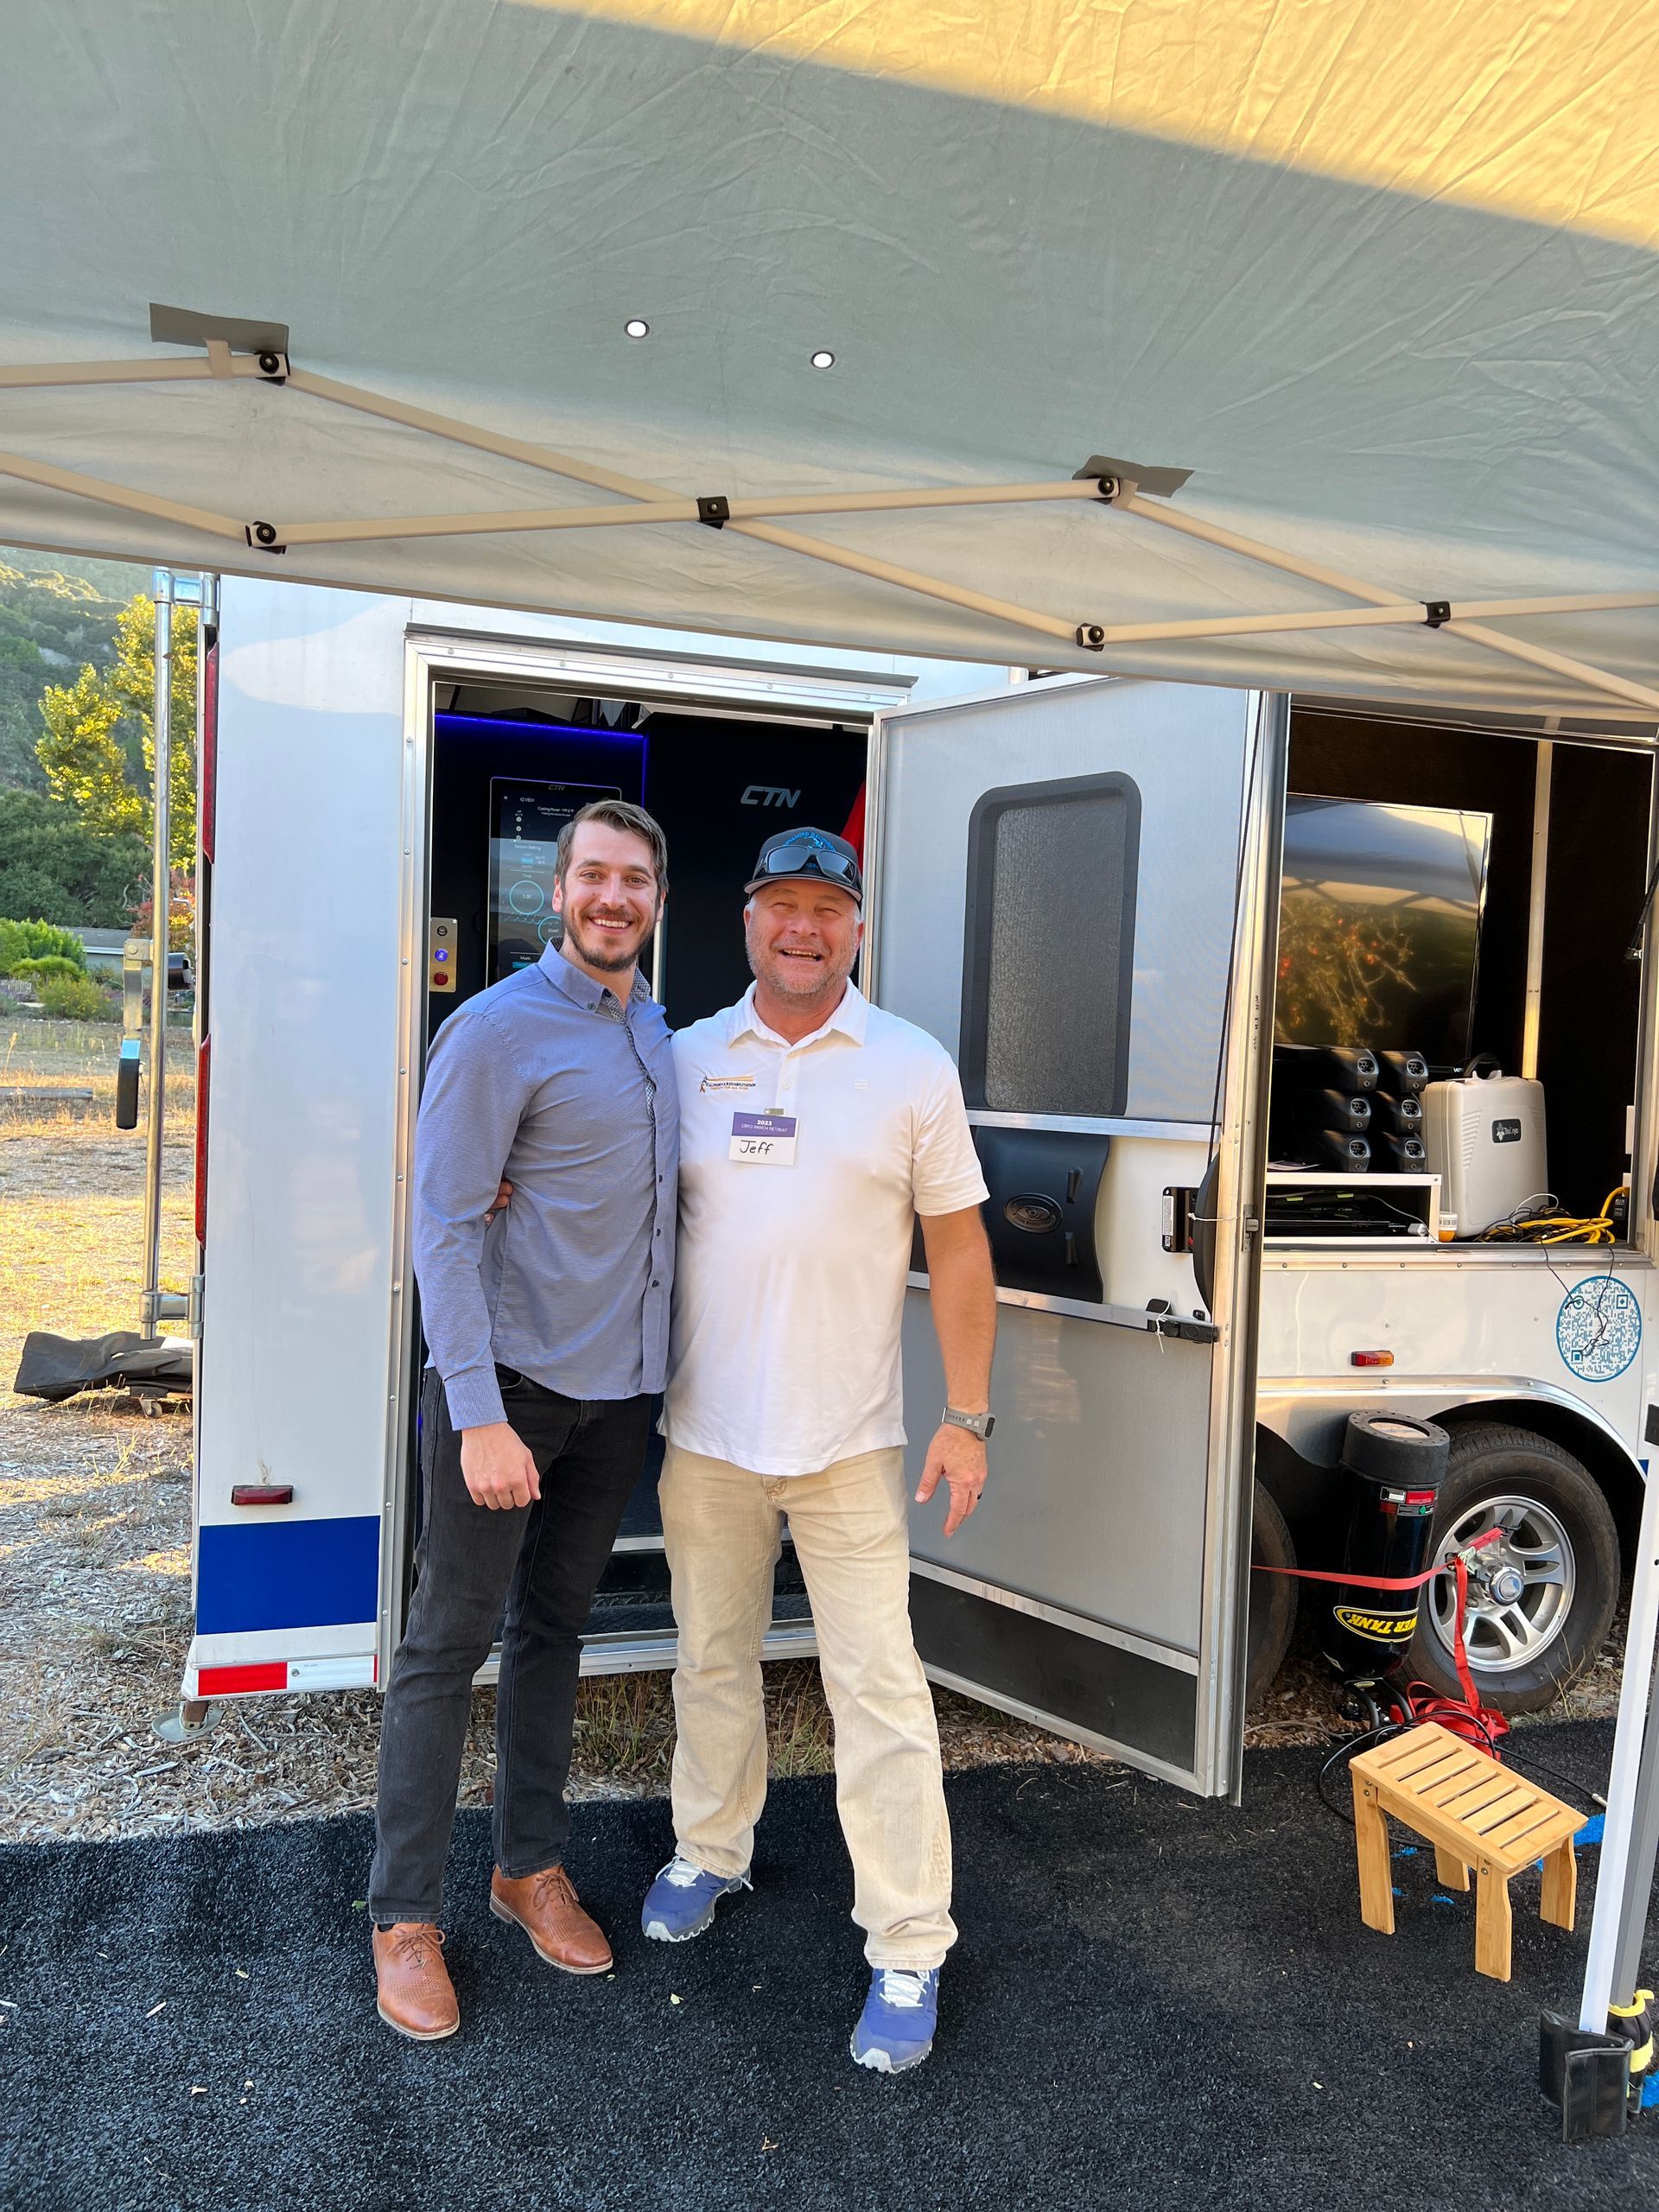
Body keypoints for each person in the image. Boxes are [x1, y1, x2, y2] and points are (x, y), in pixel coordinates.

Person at [641, 825, 995, 2075]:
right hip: (709, 1439)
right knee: (711, 1660)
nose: (802, 927)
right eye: (780, 905)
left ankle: (907, 1940)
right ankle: (711, 1849)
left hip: (851, 1446)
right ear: (744, 922)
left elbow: (958, 1249)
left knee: (881, 1692)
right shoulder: (683, 1058)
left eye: (826, 908)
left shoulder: (909, 1066)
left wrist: (967, 1414)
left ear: (857, 927)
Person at [368, 798, 676, 2042]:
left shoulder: (660, 1031)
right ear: (558, 893)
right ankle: (403, 1919)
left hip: (615, 1401)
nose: (615, 898)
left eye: (636, 880)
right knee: (446, 1648)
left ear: (657, 898)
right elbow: (442, 1226)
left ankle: (526, 1869)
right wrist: (479, 1413)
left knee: (554, 1630)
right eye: (593, 876)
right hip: (509, 1397)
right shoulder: (495, 1030)